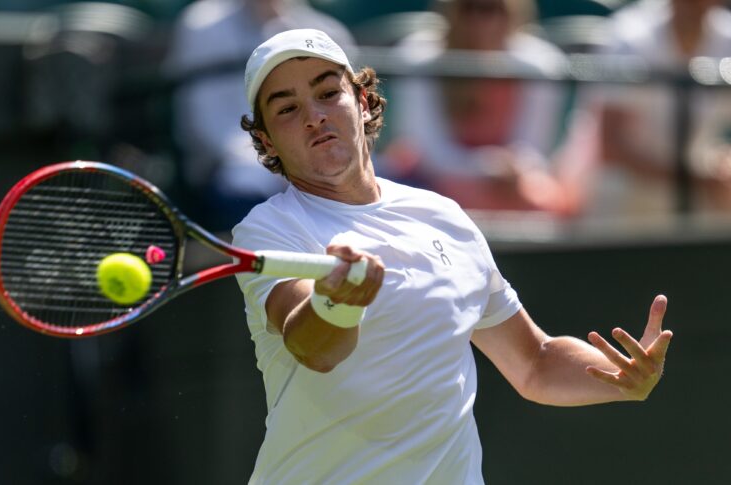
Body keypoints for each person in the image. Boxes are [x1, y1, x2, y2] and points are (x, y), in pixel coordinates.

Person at [231, 29, 673, 484]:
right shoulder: (269, 228)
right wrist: (337, 302)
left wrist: (618, 375)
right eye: (288, 109)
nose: (314, 116)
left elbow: (534, 361)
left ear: (362, 102)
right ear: (265, 141)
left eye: (328, 93)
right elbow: (313, 349)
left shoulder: (444, 217)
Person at [163, 0, 355, 229]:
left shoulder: (327, 31)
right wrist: (279, 162)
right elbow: (206, 126)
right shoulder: (201, 26)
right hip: (229, 177)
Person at [381, 0, 577, 215]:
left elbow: (534, 148)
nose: (481, 20)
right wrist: (484, 169)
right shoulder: (417, 59)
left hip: (511, 183)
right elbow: (426, 148)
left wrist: (508, 170)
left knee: (546, 204)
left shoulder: (542, 65)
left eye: (493, 9)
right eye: (469, 8)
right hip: (430, 179)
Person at [581, 0, 731, 215]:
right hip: (624, 198)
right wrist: (695, 181)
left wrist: (723, 162)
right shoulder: (628, 38)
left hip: (699, 195)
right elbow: (611, 147)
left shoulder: (727, 37)